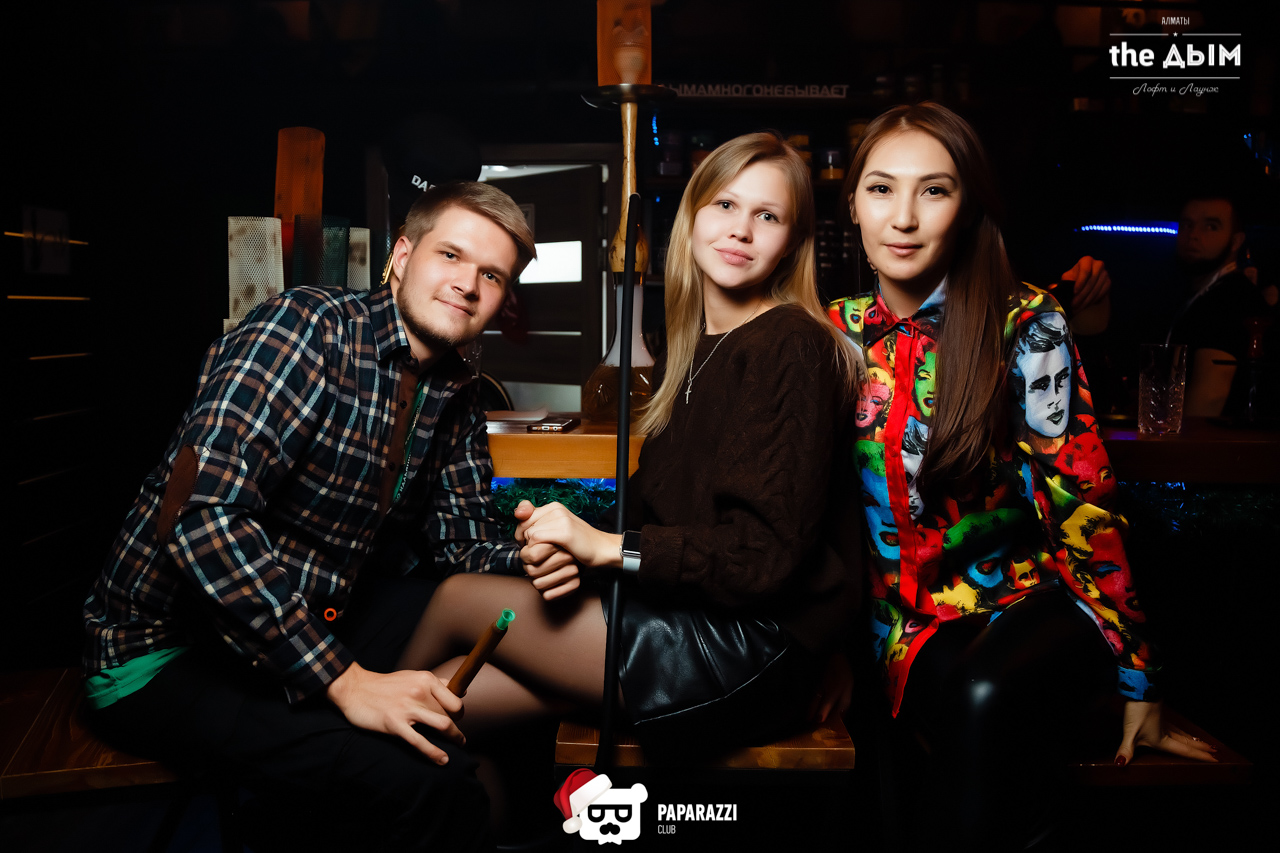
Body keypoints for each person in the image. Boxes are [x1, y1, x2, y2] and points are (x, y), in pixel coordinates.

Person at [82, 181, 536, 851]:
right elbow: (202, 516)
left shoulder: (457, 388)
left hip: (314, 612)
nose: (467, 284)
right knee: (431, 783)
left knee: (525, 630)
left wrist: (537, 554)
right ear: (402, 256)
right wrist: (345, 682)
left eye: (491, 275)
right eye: (451, 255)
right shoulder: (308, 328)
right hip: (166, 653)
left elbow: (461, 547)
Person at [827, 102, 1216, 850]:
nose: (903, 217)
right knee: (948, 726)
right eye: (881, 189)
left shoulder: (1026, 322)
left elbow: (1082, 500)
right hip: (902, 628)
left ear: (969, 206)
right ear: (852, 205)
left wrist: (1140, 674)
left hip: (1028, 604)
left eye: (934, 190)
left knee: (980, 697)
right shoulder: (829, 331)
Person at [396, 132, 861, 751]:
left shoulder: (793, 344)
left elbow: (764, 558)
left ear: (791, 243)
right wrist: (565, 538)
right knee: (449, 700)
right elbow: (653, 509)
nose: (741, 230)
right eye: (725, 205)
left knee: (458, 601)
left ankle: (353, 736)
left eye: (768, 216)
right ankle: (423, 778)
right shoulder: (691, 350)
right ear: (692, 216)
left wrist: (609, 548)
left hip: (747, 647)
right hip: (688, 617)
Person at [1167, 194, 1269, 417]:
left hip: (1218, 438)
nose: (1193, 235)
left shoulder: (1232, 297)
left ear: (1236, 241)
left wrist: (1168, 439)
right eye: (1187, 224)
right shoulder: (1201, 293)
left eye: (1211, 226)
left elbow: (1210, 397)